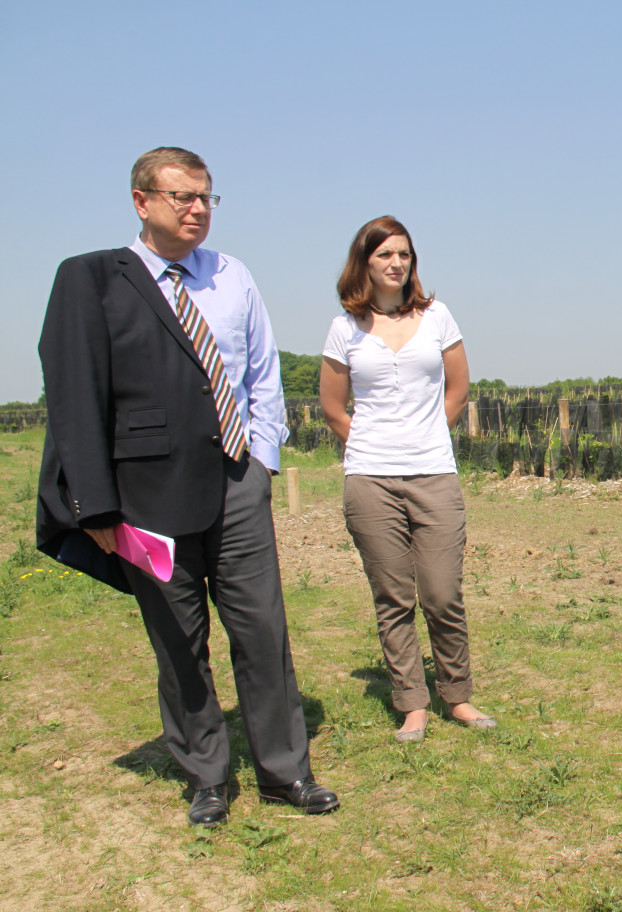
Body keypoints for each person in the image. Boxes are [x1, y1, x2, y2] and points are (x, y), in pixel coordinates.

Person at [36, 147, 339, 827]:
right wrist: (96, 506)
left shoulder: (233, 277)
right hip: (146, 495)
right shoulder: (94, 280)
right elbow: (75, 399)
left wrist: (261, 461)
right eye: (182, 197)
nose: (197, 209)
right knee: (179, 637)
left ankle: (285, 771)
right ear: (142, 201)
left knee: (263, 629)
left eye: (207, 197)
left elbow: (261, 373)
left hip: (236, 480)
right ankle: (206, 775)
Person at [319, 216, 493, 743]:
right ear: (364, 263)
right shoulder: (343, 327)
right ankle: (412, 704)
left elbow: (458, 390)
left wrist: (424, 437)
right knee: (393, 596)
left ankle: (456, 695)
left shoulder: (438, 316)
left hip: (434, 474)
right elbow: (332, 408)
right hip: (369, 480)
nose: (396, 263)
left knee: (442, 593)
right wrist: (374, 446)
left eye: (404, 254)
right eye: (384, 255)